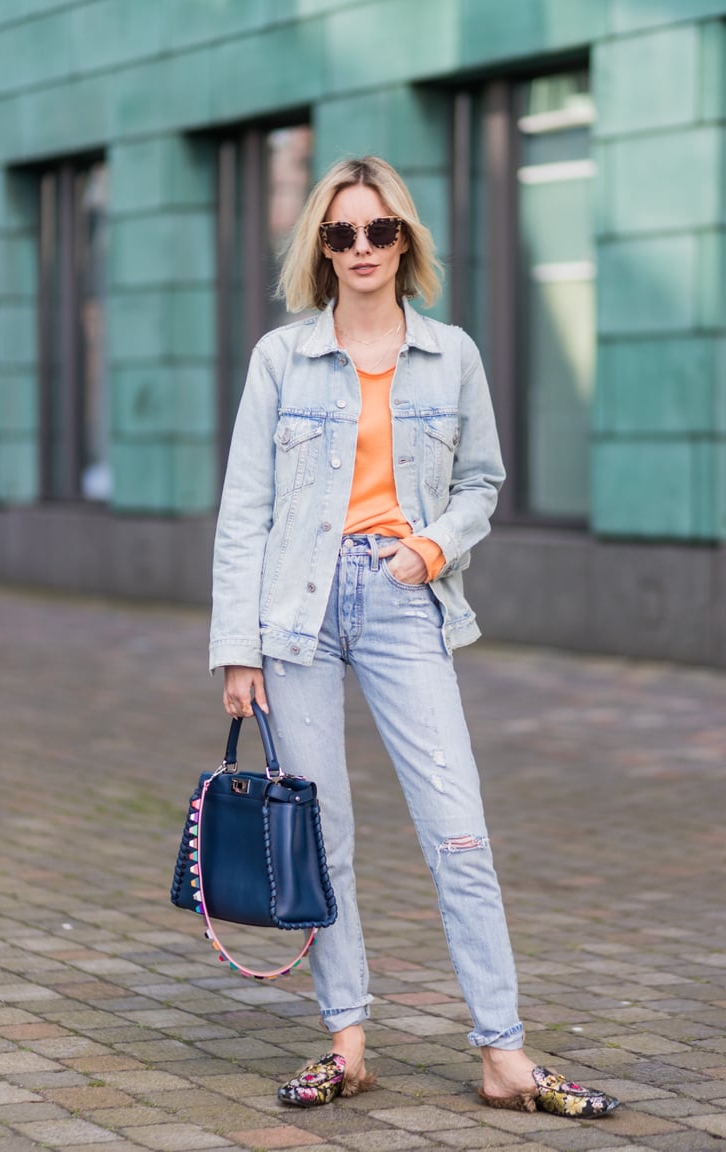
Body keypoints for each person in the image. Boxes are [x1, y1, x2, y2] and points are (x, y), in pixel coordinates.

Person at [209, 156, 618, 1119]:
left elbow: (482, 479)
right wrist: (237, 651)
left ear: (405, 243)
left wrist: (431, 550)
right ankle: (346, 1043)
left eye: (378, 231)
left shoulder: (453, 354)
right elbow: (244, 512)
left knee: (459, 832)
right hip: (294, 617)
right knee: (323, 837)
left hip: (403, 602)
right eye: (341, 233)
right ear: (321, 246)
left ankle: (503, 1054)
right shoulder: (282, 359)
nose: (361, 248)